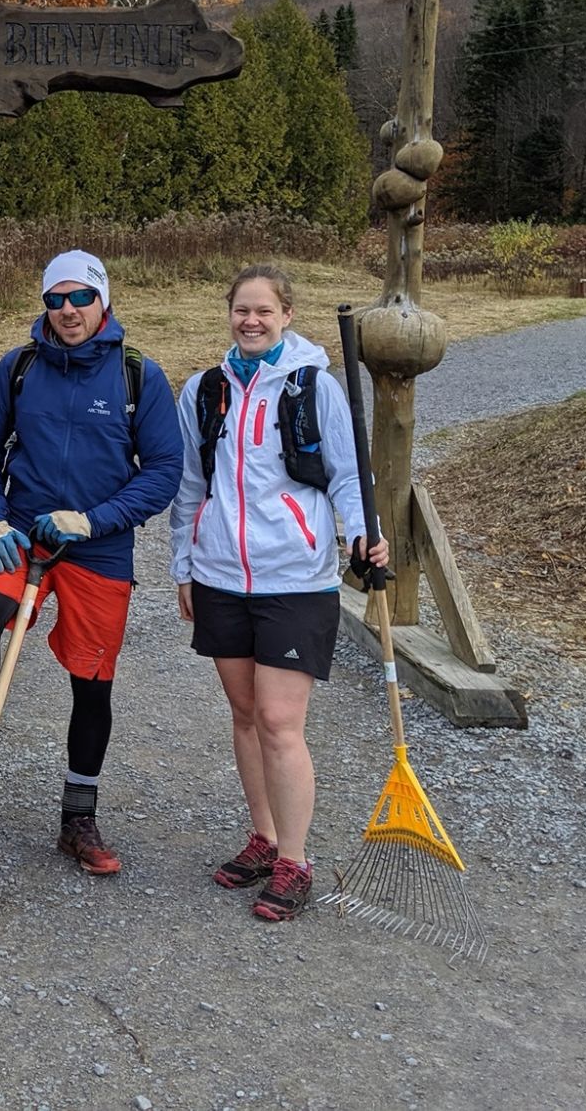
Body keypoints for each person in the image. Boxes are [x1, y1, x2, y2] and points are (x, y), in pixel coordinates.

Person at [0, 250, 183, 878]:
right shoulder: (19, 366)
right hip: (21, 534)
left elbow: (163, 472)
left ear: (102, 300)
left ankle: (78, 814)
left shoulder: (140, 376)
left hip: (98, 547)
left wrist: (94, 519)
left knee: (92, 678)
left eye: (80, 298)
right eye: (55, 300)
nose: (68, 311)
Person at [169, 264, 388, 923]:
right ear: (229, 314)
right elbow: (189, 488)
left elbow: (351, 475)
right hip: (219, 577)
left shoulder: (316, 387)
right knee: (243, 716)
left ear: (287, 315)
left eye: (264, 311)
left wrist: (362, 535)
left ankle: (295, 860)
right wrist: (184, 566)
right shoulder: (204, 391)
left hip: (295, 579)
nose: (252, 321)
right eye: (242, 310)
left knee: (279, 722)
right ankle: (262, 838)